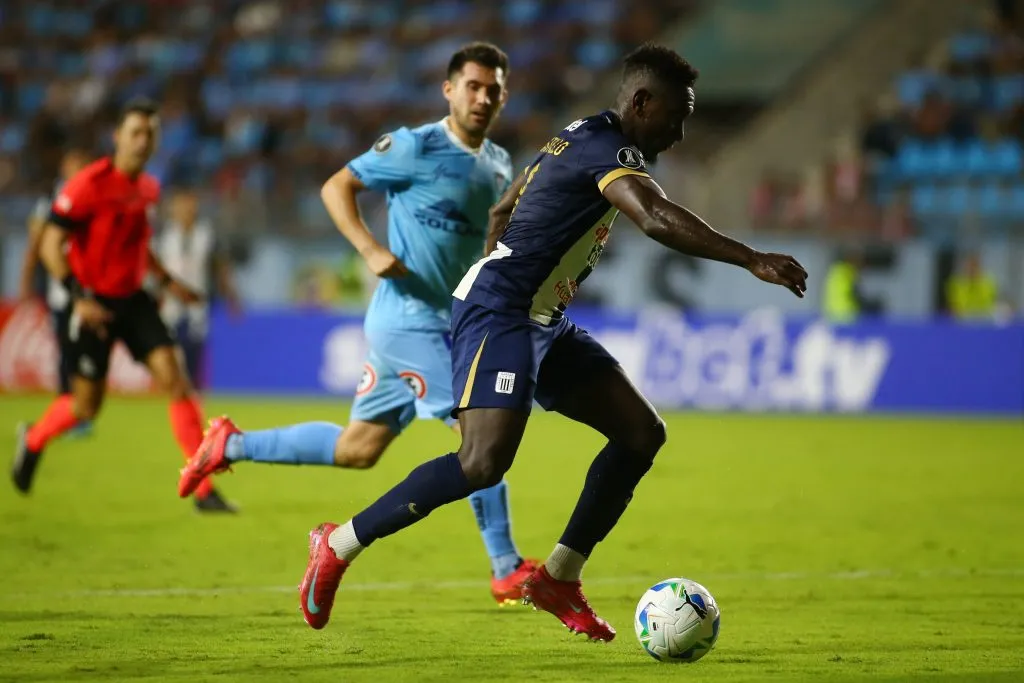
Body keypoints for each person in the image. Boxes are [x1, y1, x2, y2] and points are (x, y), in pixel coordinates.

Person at [281, 43, 806, 639]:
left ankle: (558, 577)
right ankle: (338, 543)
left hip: (538, 318)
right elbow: (655, 219)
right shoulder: (606, 148)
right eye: (676, 115)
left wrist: (512, 264)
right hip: (501, 313)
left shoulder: (581, 136)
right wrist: (752, 257)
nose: (681, 132)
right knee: (481, 463)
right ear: (641, 101)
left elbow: (505, 206)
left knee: (641, 433)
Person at [178, 43, 537, 602]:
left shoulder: (497, 162)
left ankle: (229, 445)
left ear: (503, 94)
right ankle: (505, 566)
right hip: (409, 324)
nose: (483, 97)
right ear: (449, 89)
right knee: (478, 438)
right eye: (472, 86)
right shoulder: (414, 146)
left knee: (357, 448)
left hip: (446, 324)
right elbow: (335, 186)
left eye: (493, 89)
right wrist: (369, 250)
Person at [11, 97, 235, 513]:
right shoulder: (87, 186)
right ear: (118, 137)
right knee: (85, 407)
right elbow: (49, 244)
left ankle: (203, 490)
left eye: (150, 133)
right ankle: (34, 438)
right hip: (93, 303)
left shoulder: (147, 187)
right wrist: (78, 297)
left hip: (133, 300)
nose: (142, 141)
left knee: (176, 379)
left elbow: (139, 243)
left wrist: (169, 282)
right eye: (136, 132)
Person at [18, 148, 95, 436]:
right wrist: (26, 281)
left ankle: (79, 413)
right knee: (66, 352)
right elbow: (35, 247)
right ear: (65, 167)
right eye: (74, 164)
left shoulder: (93, 199)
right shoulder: (48, 204)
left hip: (91, 292)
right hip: (62, 292)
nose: (79, 170)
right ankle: (67, 412)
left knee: (84, 352)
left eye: (83, 164)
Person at [157, 187, 241, 390]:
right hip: (170, 305)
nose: (187, 209)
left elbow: (220, 267)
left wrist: (231, 296)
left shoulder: (207, 235)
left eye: (190, 204)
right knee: (169, 353)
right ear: (172, 208)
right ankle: (173, 393)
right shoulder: (163, 236)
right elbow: (153, 268)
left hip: (197, 304)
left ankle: (192, 393)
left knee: (194, 352)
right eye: (181, 205)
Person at [945, 252, 998, 320]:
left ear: (979, 267)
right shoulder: (955, 283)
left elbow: (992, 302)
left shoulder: (989, 282)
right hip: (962, 320)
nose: (971, 269)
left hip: (984, 319)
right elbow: (953, 306)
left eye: (974, 266)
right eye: (968, 266)